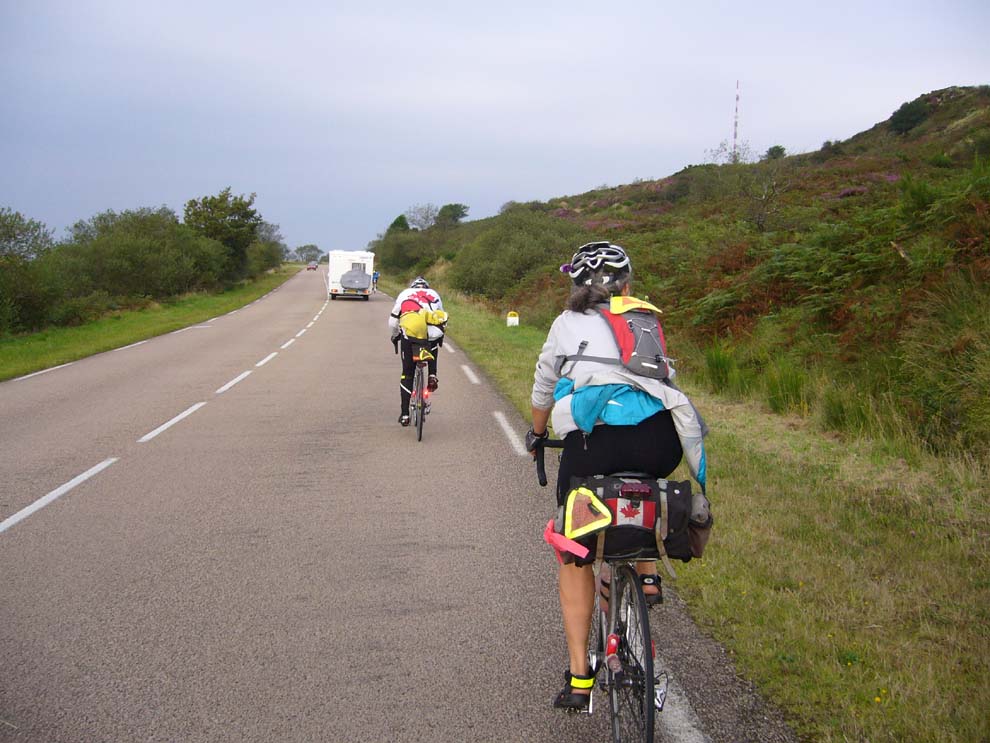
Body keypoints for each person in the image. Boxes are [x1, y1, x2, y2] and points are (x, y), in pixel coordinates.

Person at [526, 241, 708, 711]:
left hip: (595, 444)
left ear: (575, 287)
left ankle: (580, 678)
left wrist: (538, 433)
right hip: (661, 438)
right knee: (641, 485)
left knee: (574, 551)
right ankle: (647, 577)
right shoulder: (645, 318)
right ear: (627, 285)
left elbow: (544, 387)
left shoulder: (566, 323)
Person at [388, 276, 447, 426]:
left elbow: (393, 322)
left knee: (407, 374)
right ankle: (432, 375)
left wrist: (395, 336)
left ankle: (405, 414)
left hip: (410, 336)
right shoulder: (434, 294)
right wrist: (441, 336)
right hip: (431, 334)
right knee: (433, 342)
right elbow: (442, 318)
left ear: (412, 287)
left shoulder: (404, 294)